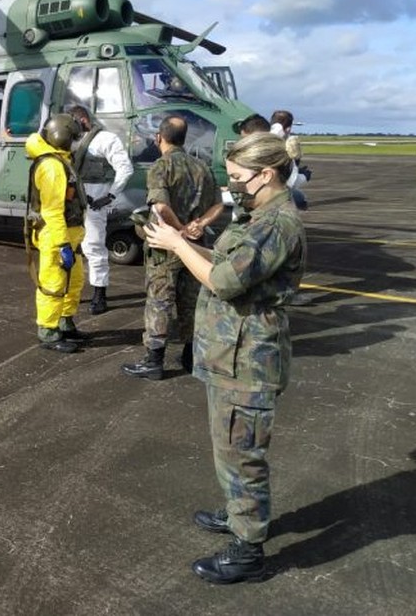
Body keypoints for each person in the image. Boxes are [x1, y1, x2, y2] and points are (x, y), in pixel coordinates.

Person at [142, 132, 306, 584]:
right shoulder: (259, 214)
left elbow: (225, 282)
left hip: (248, 358)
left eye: (237, 177)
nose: (232, 185)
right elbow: (224, 260)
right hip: (232, 352)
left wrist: (177, 246)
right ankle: (240, 516)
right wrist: (181, 241)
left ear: (265, 174)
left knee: (242, 452)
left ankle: (249, 550)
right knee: (230, 447)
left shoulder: (276, 225)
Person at [122, 115, 223, 379]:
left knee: (159, 301)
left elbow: (161, 206)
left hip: (166, 247)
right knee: (191, 301)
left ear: (159, 138)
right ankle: (191, 357)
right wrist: (197, 225)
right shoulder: (202, 167)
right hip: (196, 247)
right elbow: (218, 205)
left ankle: (154, 360)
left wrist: (178, 231)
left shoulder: (160, 166)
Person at [24, 113, 87, 353]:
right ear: (62, 136)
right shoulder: (51, 166)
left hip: (71, 233)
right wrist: (62, 244)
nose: (73, 142)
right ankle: (48, 332)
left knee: (74, 281)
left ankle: (65, 323)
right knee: (53, 283)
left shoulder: (61, 161)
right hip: (56, 234)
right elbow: (52, 210)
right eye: (72, 137)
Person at [68, 105, 134, 315]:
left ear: (83, 120)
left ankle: (99, 294)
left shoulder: (106, 139)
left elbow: (125, 168)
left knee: (94, 248)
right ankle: (72, 292)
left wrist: (109, 196)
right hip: (73, 202)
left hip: (95, 202)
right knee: (68, 247)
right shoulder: (71, 140)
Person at [270, 110, 310, 210]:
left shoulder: (261, 138)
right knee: (299, 198)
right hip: (271, 195)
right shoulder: (286, 144)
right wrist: (304, 176)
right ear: (288, 128)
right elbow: (290, 183)